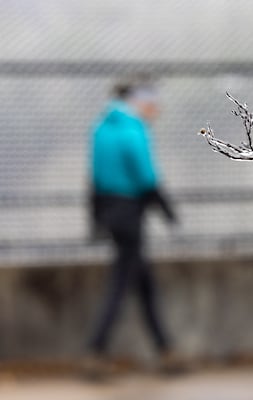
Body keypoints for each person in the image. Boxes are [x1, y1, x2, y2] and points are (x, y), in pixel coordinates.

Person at [86, 75, 178, 375]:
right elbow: (145, 176)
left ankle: (166, 350)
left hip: (110, 211)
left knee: (143, 282)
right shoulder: (133, 128)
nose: (156, 109)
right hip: (130, 213)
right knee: (122, 282)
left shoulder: (101, 127)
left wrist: (96, 218)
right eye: (152, 103)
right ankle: (95, 352)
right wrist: (166, 209)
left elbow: (95, 178)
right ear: (140, 101)